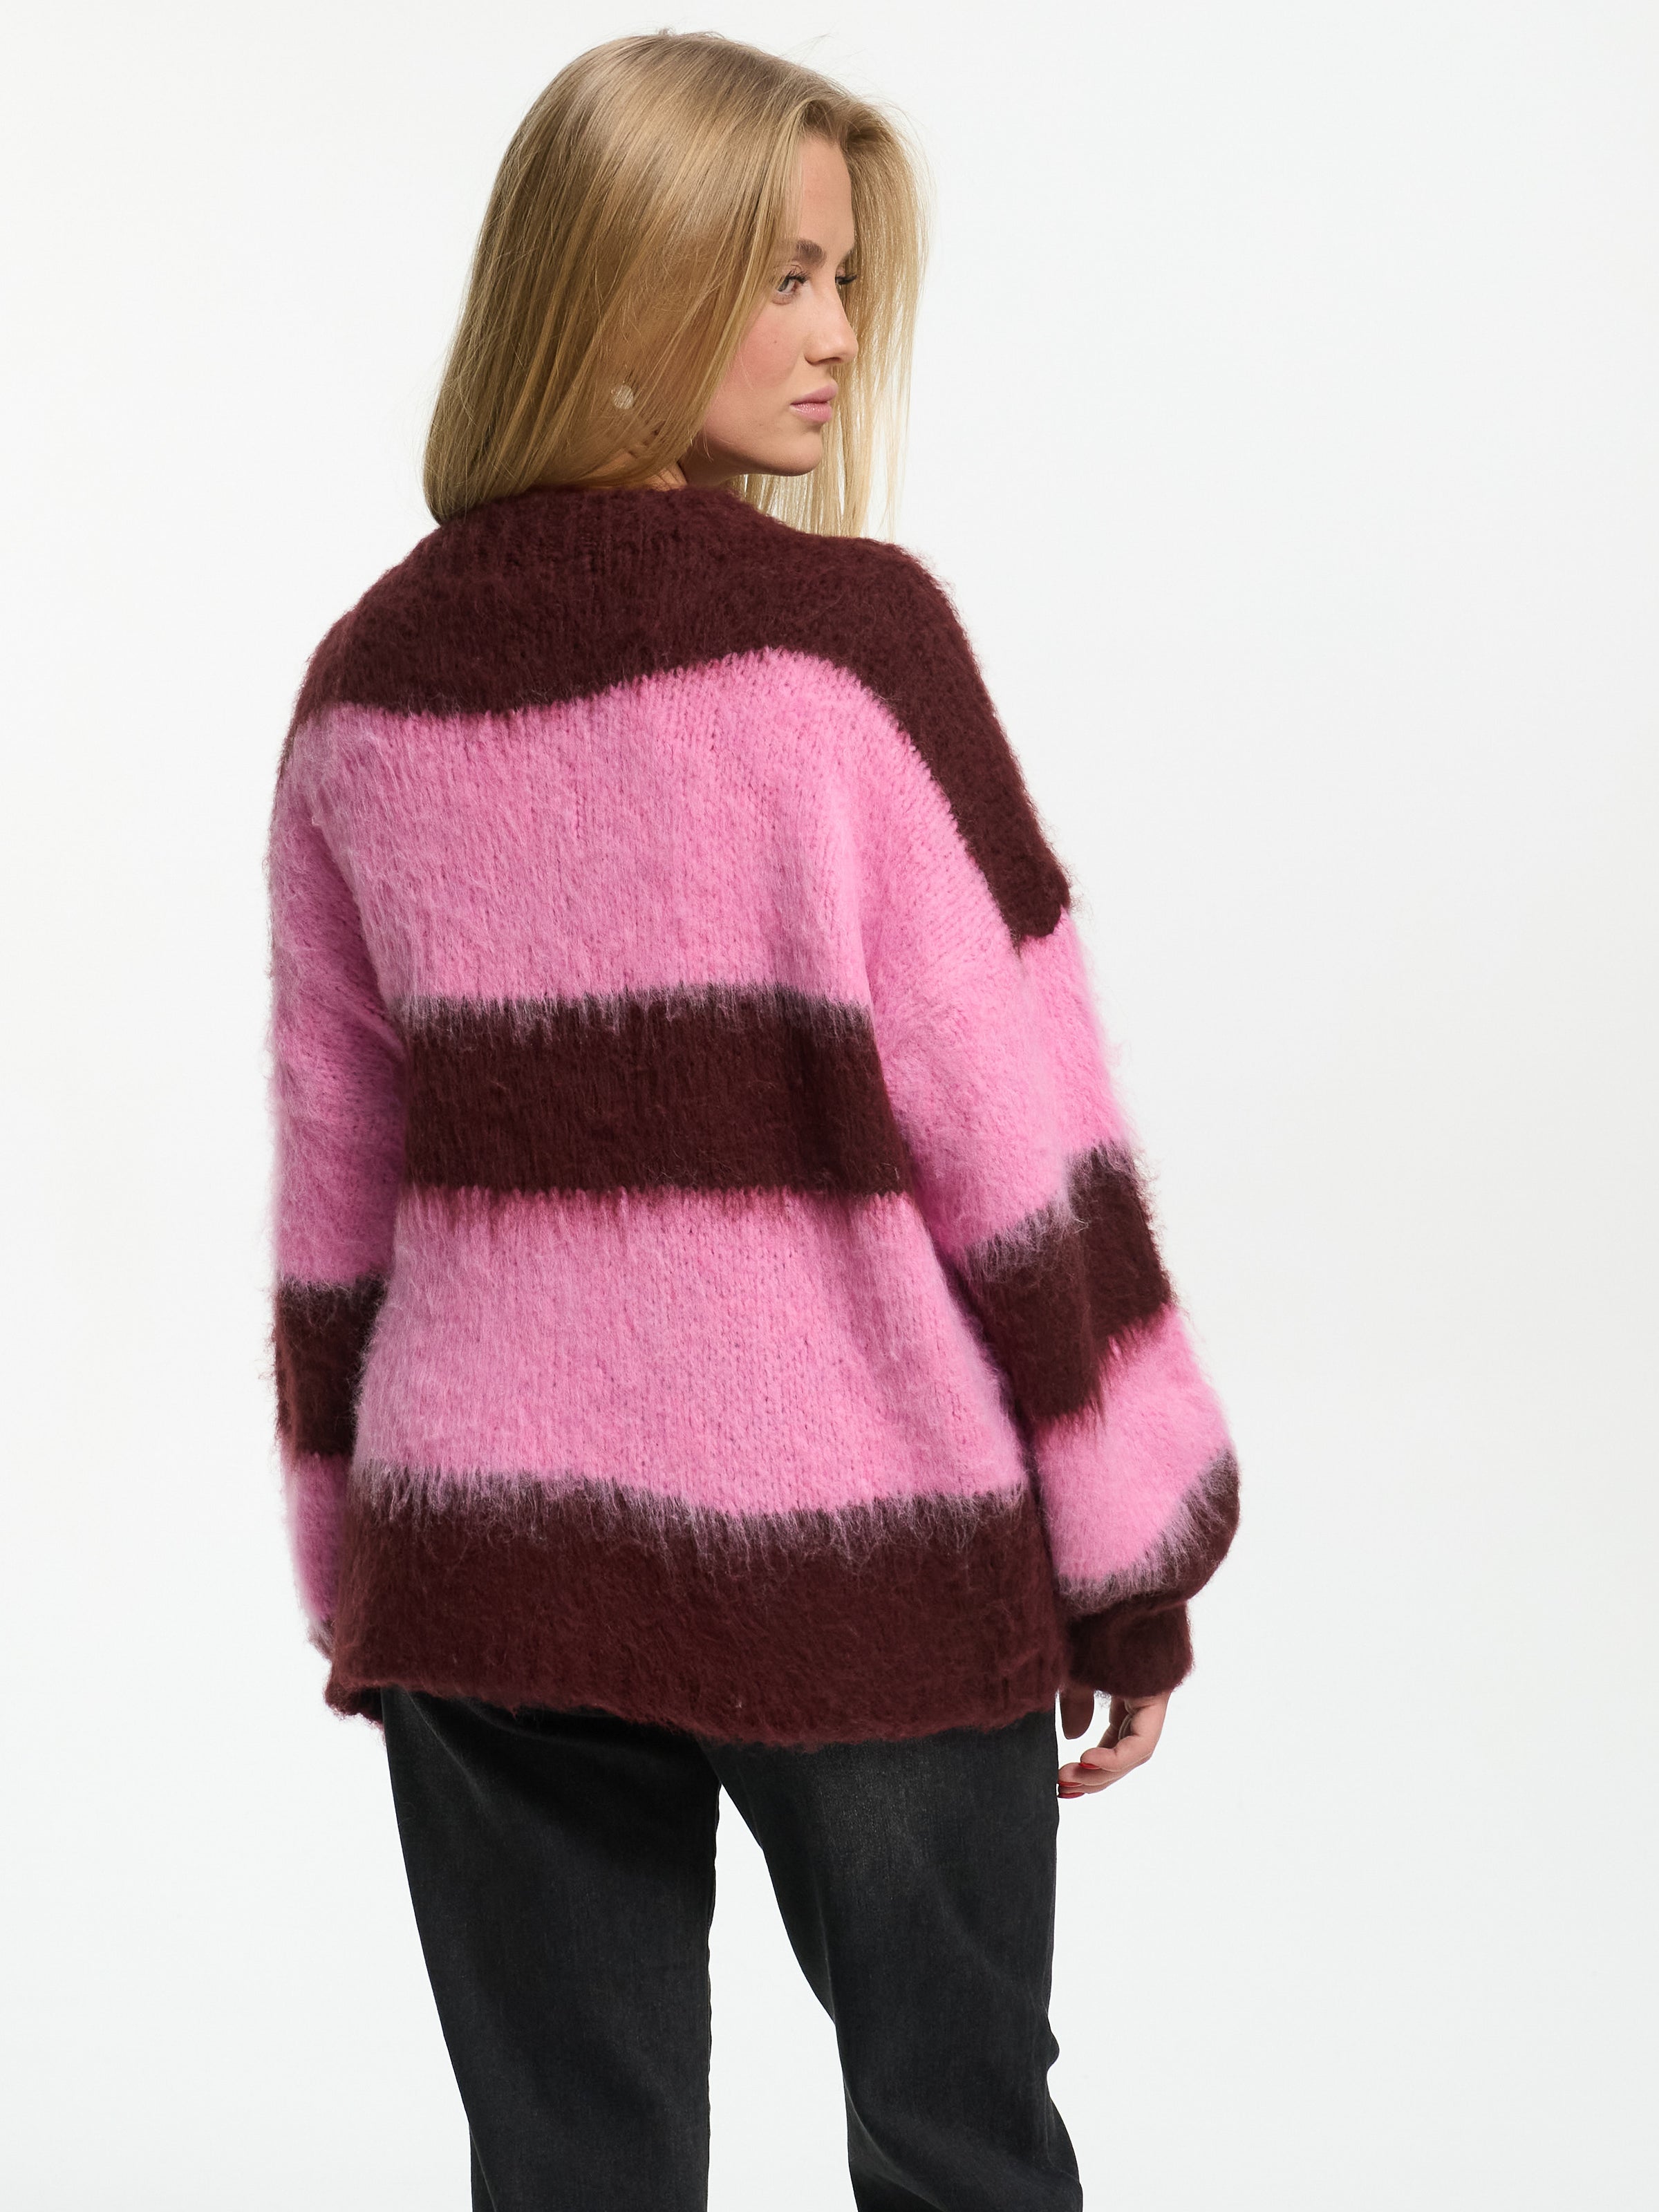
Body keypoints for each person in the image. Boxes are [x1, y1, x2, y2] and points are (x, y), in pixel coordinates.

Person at [267, 30, 1239, 2211]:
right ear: (624, 278)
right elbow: (1028, 1151)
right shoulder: (848, 648)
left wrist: (357, 1568)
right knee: (962, 2149)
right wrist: (1133, 1568)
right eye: (784, 275)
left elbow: (341, 1199)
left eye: (847, 279)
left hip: (484, 1558)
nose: (838, 335)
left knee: (572, 2169)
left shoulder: (366, 683)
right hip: (860, 1551)